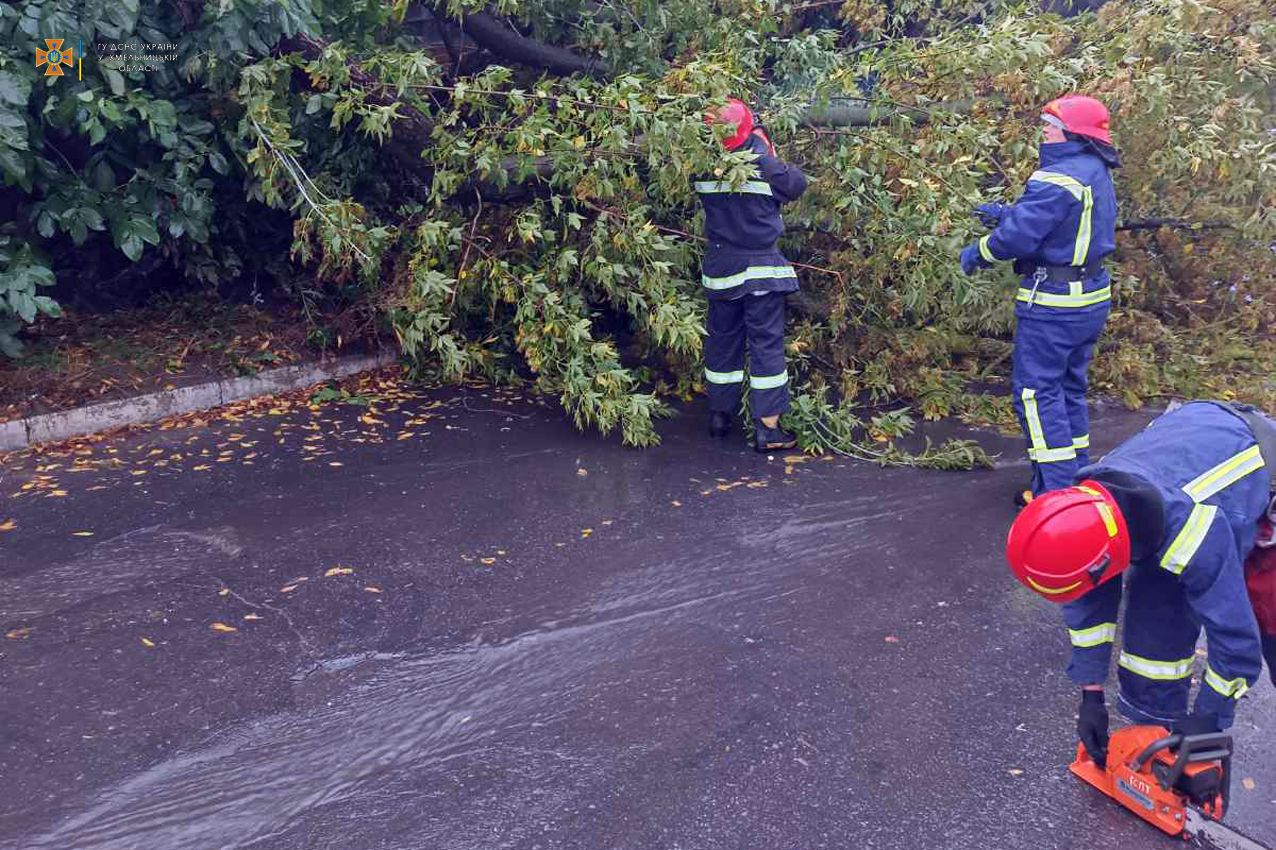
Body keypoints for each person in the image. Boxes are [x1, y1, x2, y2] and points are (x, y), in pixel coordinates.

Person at [1005, 400, 1276, 768]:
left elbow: (1235, 635)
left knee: (1268, 610)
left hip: (1256, 466)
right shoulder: (1091, 509)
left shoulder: (1195, 533)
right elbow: (1089, 601)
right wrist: (1090, 694)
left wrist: (1209, 718)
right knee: (1154, 625)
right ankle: (1155, 733)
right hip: (1194, 444)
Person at [960, 95, 1121, 506]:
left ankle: (1055, 493)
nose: (1045, 133)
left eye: (1051, 127)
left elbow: (1017, 240)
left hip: (1054, 304)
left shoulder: (1057, 177)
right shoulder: (1095, 169)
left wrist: (980, 251)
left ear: (1071, 134)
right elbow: (1061, 222)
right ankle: (1078, 477)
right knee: (1068, 389)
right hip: (1090, 299)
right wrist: (1007, 213)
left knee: (1036, 394)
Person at [698, 98, 808, 452]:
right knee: (765, 346)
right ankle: (768, 429)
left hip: (722, 270)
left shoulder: (702, 167)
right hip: (761, 272)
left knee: (722, 342)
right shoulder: (764, 164)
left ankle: (719, 417)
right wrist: (763, 145)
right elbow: (797, 183)